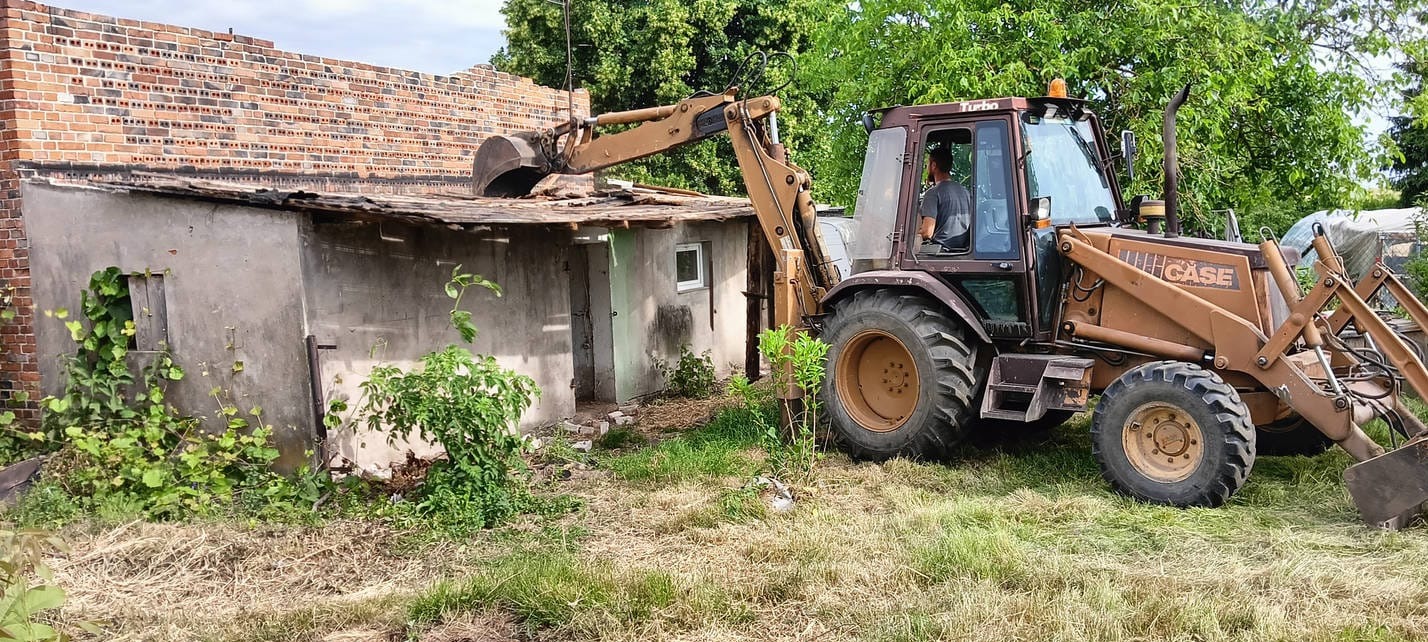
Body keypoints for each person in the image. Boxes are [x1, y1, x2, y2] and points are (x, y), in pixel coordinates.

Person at [918, 146, 971, 252]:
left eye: (928, 164)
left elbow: (927, 232)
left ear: (933, 165)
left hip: (940, 251)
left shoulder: (933, 193)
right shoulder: (965, 192)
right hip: (962, 251)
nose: (927, 167)